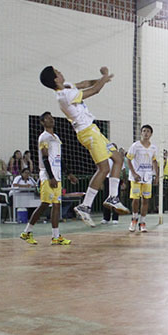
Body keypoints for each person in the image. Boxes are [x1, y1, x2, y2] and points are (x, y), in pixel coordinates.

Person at [39, 64, 129, 226]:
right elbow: (94, 91)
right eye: (58, 72)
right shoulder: (64, 95)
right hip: (87, 132)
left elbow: (85, 83)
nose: (61, 71)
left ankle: (113, 197)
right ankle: (85, 205)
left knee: (118, 158)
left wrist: (102, 79)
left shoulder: (67, 87)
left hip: (93, 130)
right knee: (103, 169)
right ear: (55, 79)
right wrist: (104, 77)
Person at [21, 111, 70, 246]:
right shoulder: (44, 137)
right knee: (44, 205)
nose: (51, 120)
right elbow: (44, 158)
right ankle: (27, 232)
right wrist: (51, 177)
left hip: (57, 175)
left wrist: (68, 173)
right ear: (42, 122)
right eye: (48, 119)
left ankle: (55, 236)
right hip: (48, 176)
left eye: (52, 118)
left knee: (56, 206)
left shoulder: (56, 137)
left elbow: (59, 158)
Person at [125, 124, 159, 232]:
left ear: (151, 134)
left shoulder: (153, 148)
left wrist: (157, 175)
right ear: (141, 133)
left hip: (147, 176)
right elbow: (128, 160)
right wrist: (134, 173)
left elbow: (154, 161)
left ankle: (142, 221)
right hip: (136, 177)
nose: (146, 133)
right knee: (135, 199)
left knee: (146, 199)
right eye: (144, 131)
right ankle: (134, 219)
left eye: (148, 131)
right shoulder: (135, 145)